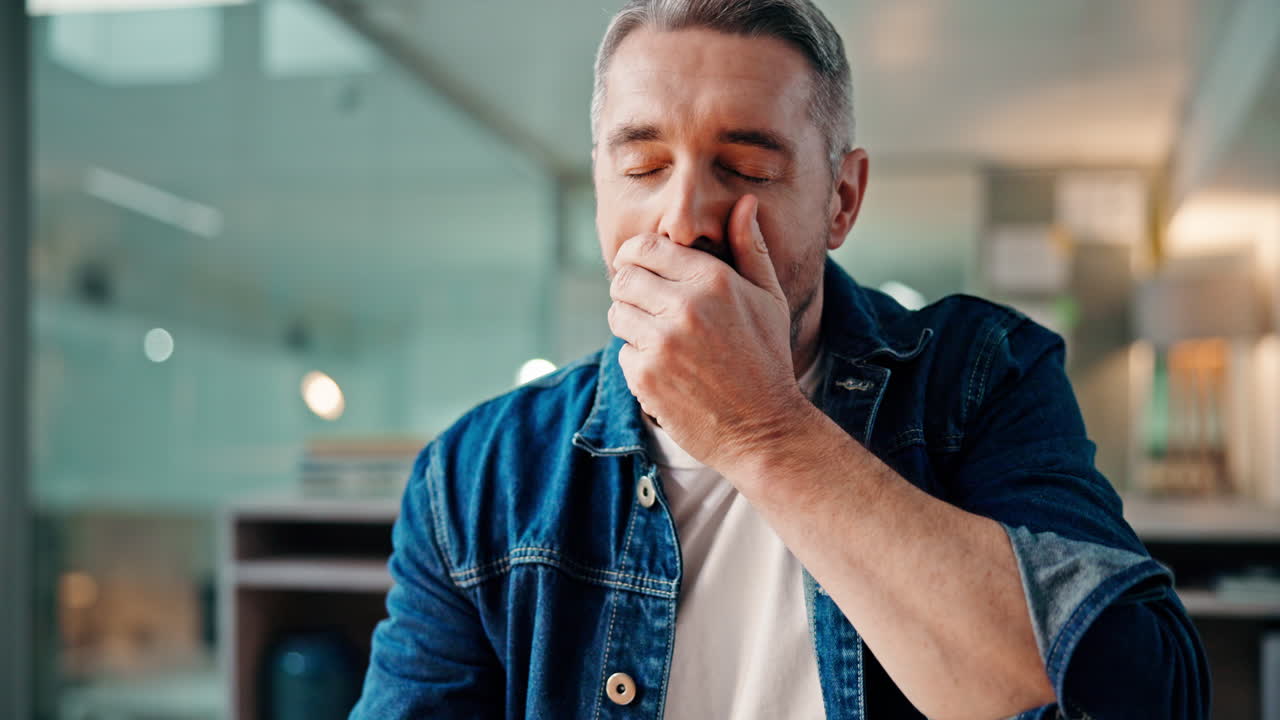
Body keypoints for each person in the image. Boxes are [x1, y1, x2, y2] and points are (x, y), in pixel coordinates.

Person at [350, 1, 1210, 718]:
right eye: (642, 165)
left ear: (841, 199)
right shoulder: (475, 475)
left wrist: (763, 431)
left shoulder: (985, 374)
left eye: (747, 168)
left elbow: (1135, 694)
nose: (681, 218)